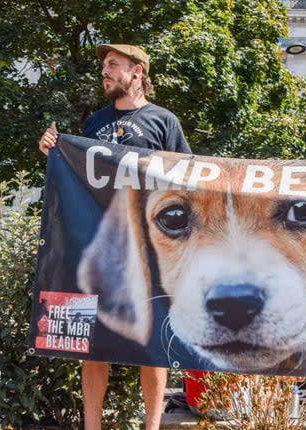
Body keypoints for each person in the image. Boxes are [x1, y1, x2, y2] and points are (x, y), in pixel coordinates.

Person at [38, 43, 191, 430]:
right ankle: (92, 426)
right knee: (92, 342)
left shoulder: (163, 121)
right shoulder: (93, 123)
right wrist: (55, 152)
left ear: (137, 72)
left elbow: (190, 179)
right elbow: (80, 179)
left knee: (151, 344)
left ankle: (151, 426)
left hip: (150, 251)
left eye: (113, 65)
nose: (104, 72)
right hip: (98, 247)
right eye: (104, 66)